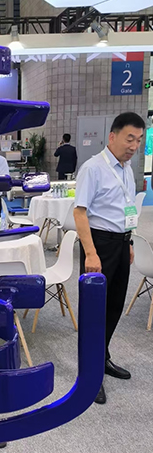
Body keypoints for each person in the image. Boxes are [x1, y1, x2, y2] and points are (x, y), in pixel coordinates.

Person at [73, 112, 145, 405]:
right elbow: (80, 213)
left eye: (139, 140)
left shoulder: (126, 168)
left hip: (120, 243)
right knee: (94, 311)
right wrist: (91, 253)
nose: (134, 146)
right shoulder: (93, 168)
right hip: (99, 245)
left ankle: (101, 359)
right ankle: (89, 375)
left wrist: (129, 240)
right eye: (130, 138)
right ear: (113, 136)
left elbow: (125, 208)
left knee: (113, 306)